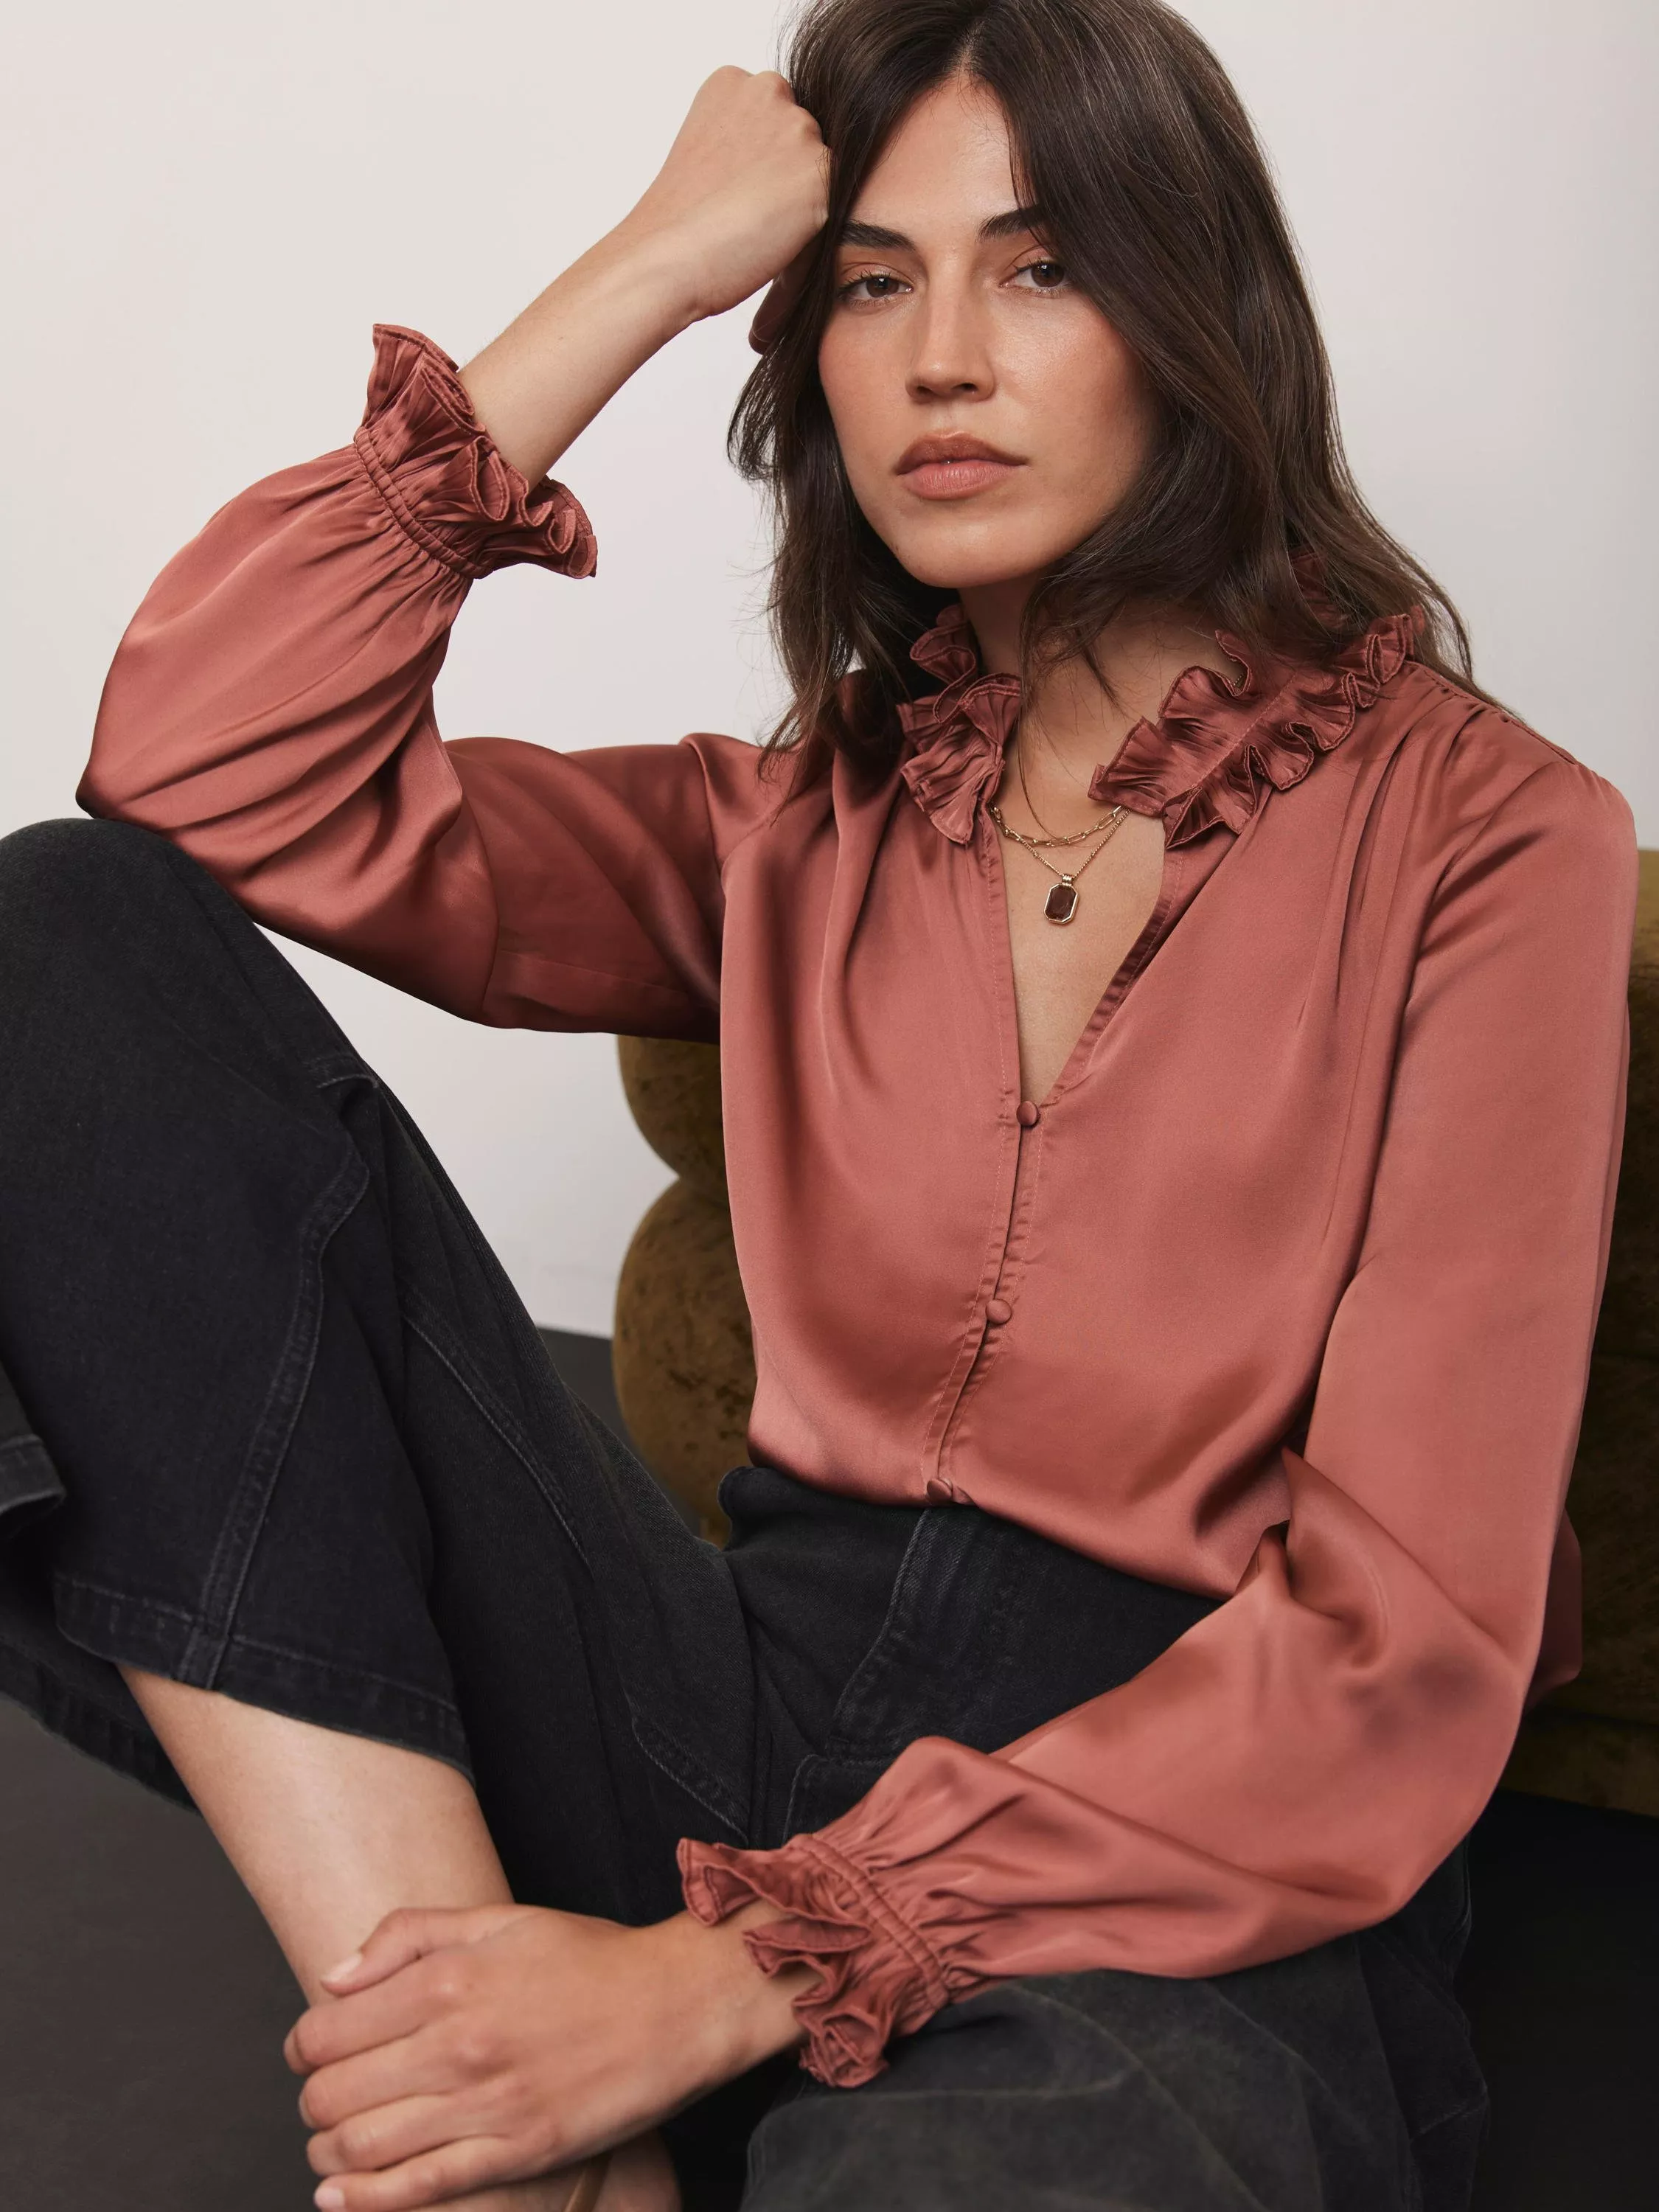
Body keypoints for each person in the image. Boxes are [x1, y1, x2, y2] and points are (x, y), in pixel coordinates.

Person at [0, 1, 1637, 2208]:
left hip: (1179, 1848)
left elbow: (1407, 1652)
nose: (943, 359)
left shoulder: (1490, 841)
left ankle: (595, 2087)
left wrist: (717, 1982)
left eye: (1039, 268)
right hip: (731, 1702)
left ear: (1196, 321)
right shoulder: (792, 825)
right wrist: (651, 265)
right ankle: (490, 2127)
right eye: (872, 283)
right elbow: (199, 772)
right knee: (59, 933)